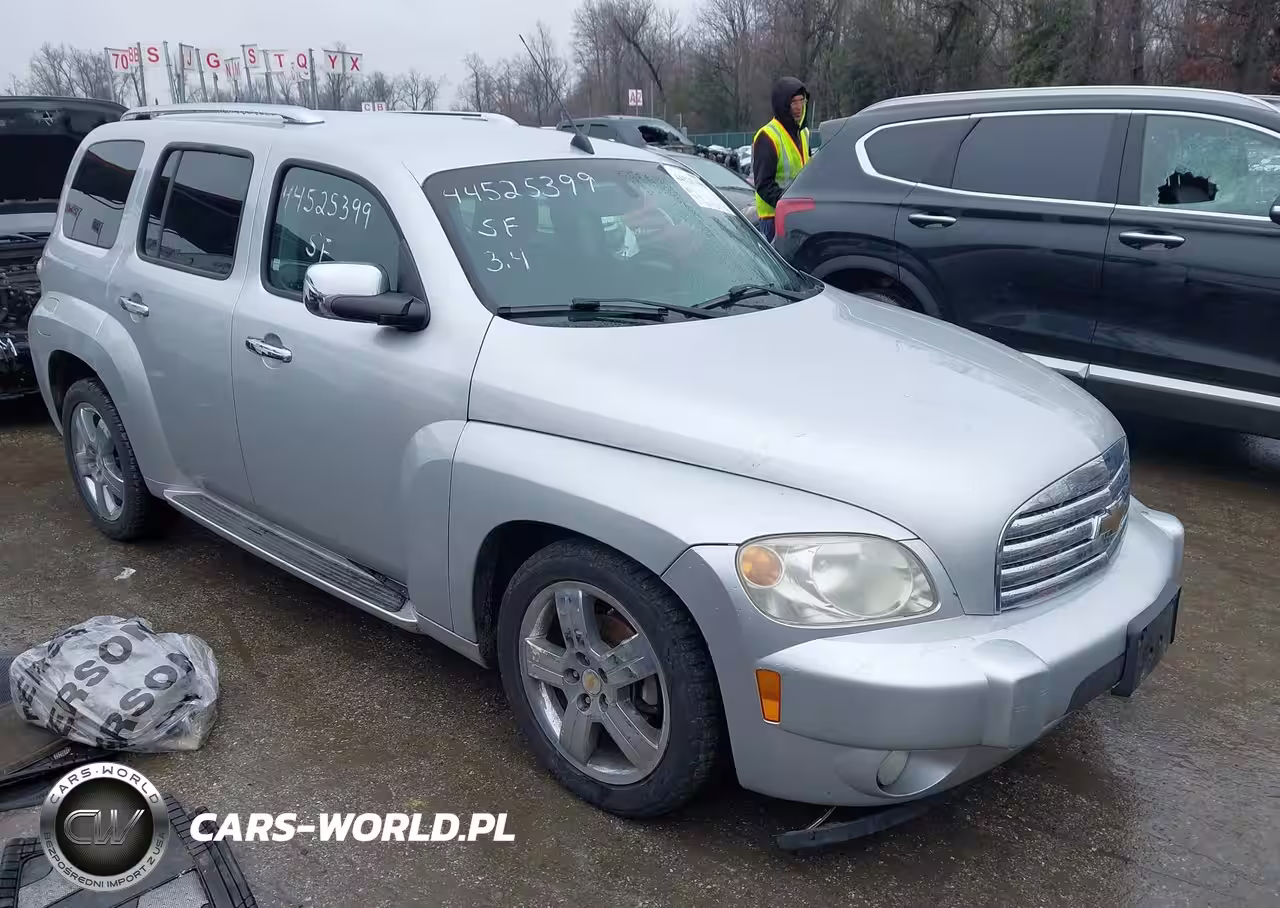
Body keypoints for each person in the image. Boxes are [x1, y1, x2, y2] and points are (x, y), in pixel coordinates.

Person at [752, 77, 811, 241]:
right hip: (773, 217)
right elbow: (763, 185)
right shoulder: (767, 136)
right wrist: (788, 204)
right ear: (783, 105)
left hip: (798, 215)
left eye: (802, 101)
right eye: (793, 103)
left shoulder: (804, 133)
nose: (799, 107)